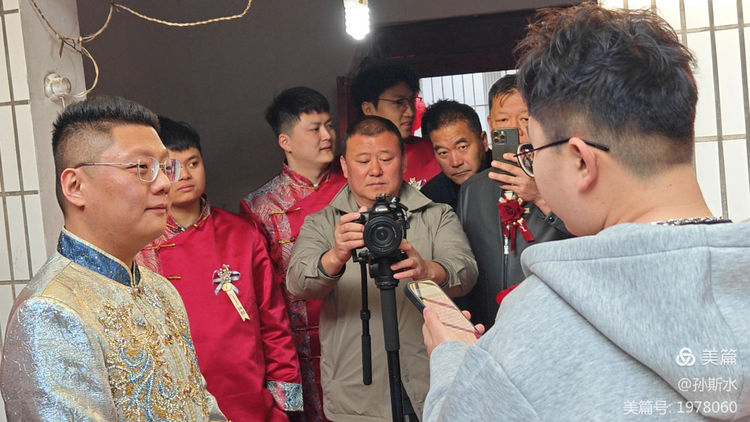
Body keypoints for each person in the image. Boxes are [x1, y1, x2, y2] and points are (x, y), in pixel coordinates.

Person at [422, 4, 750, 421]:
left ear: (581, 161)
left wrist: (451, 358)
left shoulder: (531, 328)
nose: (530, 163)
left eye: (533, 150)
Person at [0, 96, 226, 421]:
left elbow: (202, 406)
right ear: (75, 186)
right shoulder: (50, 311)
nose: (165, 183)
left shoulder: (161, 290)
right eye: (142, 168)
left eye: (165, 167)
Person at [286, 115, 477, 421]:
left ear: (403, 162)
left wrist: (427, 270)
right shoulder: (323, 223)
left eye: (386, 159)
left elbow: (466, 271)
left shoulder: (435, 215)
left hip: (431, 381)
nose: (375, 170)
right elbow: (297, 284)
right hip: (358, 393)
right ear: (345, 166)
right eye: (363, 161)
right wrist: (336, 255)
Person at [137, 117, 302, 421]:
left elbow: (274, 320)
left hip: (249, 399)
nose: (185, 175)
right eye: (172, 168)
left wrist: (286, 405)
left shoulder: (242, 234)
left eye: (193, 163)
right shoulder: (140, 246)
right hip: (178, 401)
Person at [240, 87, 346, 422]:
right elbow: (263, 296)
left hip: (356, 329)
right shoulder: (260, 206)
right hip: (299, 348)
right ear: (285, 141)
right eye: (315, 129)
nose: (327, 136)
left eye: (329, 126)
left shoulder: (355, 186)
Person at [453, 74, 571, 328]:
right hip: (490, 322)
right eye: (503, 120)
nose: (516, 130)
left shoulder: (565, 178)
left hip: (551, 319)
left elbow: (588, 238)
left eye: (525, 119)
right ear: (490, 124)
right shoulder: (473, 189)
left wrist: (540, 196)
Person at [351, 63, 442, 188]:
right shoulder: (350, 161)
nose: (410, 112)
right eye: (399, 102)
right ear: (368, 109)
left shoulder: (435, 152)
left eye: (411, 101)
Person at [419, 100, 491, 209]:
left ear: (483, 141)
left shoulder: (513, 177)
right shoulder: (430, 199)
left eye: (462, 147)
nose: (455, 162)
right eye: (443, 153)